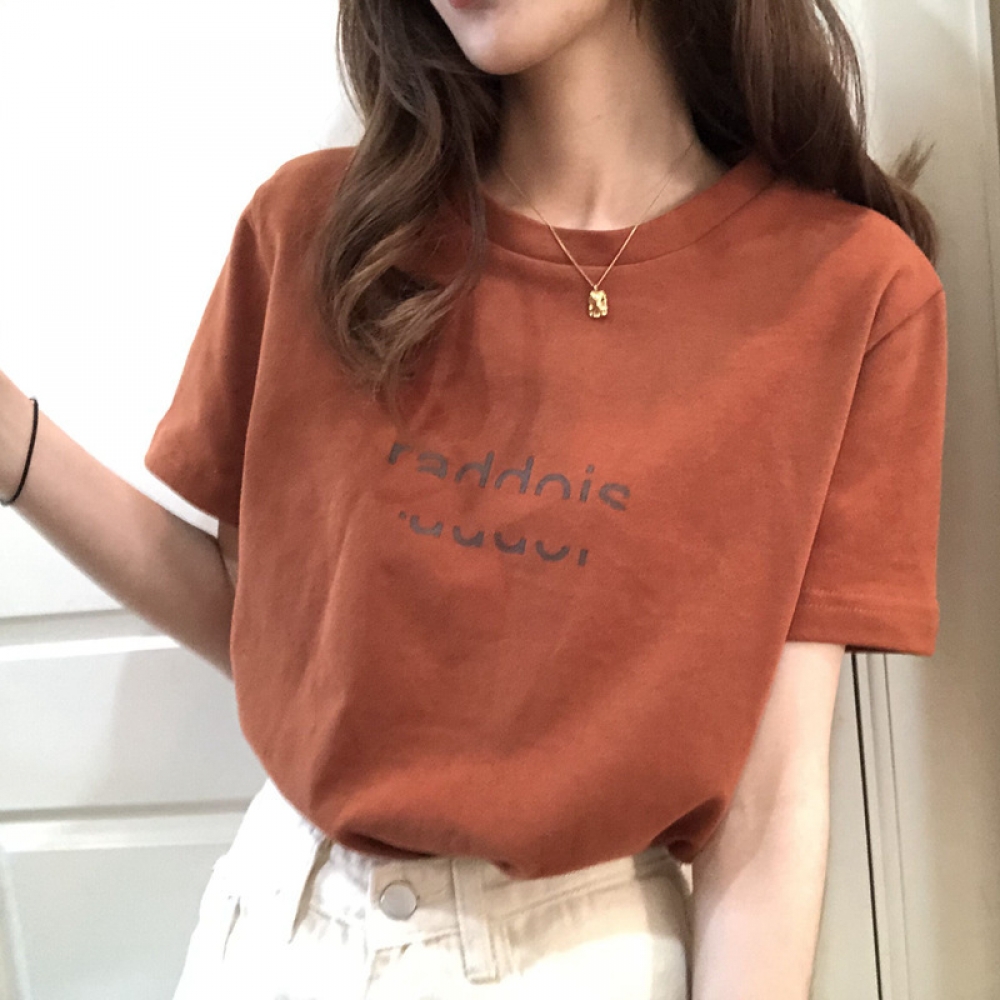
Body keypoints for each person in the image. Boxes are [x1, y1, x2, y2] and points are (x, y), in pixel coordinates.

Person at [0, 0, 949, 997]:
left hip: (577, 958)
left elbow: (771, 806)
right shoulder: (319, 232)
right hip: (275, 931)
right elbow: (261, 625)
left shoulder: (847, 294)